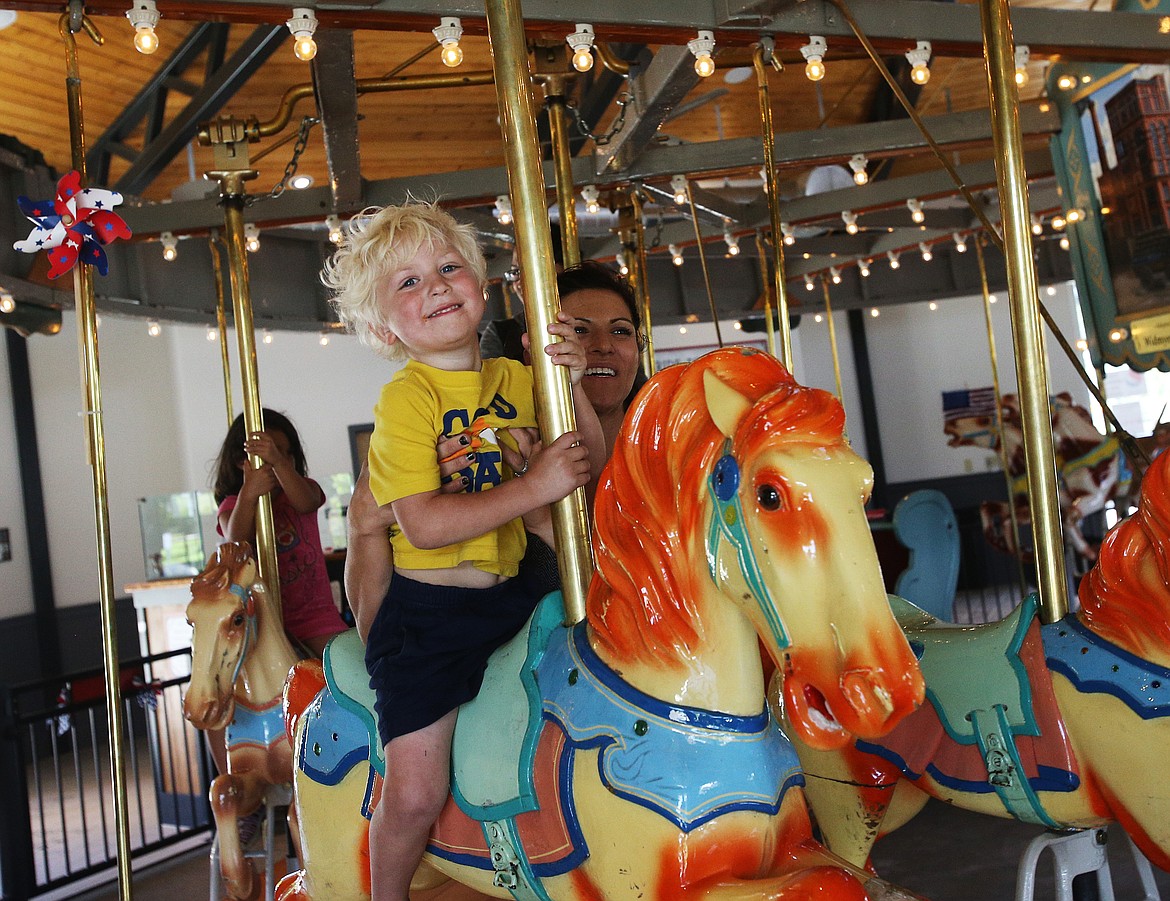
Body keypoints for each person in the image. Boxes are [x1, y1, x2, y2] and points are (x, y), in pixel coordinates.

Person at [323, 200, 604, 901]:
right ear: (386, 326)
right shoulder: (407, 401)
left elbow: (586, 460)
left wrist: (570, 386)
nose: (437, 285)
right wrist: (532, 483)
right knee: (416, 789)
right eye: (408, 282)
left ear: (480, 286)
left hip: (512, 598)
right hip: (427, 621)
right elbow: (422, 524)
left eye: (449, 268)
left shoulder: (514, 377)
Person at [212, 409, 347, 658]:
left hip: (314, 617)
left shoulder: (302, 490)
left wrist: (278, 462)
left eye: (287, 454)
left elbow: (306, 503)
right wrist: (249, 494)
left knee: (343, 665)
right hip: (262, 621)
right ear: (241, 461)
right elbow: (236, 542)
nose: (277, 461)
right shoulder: (233, 504)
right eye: (268, 456)